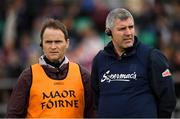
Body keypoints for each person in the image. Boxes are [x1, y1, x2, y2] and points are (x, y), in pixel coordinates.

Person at [91, 8, 176, 118]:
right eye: (122, 29)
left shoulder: (152, 57)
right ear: (109, 32)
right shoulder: (100, 59)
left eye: (131, 27)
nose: (128, 33)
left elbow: (168, 100)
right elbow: (96, 99)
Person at [6, 18, 94, 118]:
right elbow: (13, 115)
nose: (53, 46)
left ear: (67, 43)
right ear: (41, 45)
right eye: (48, 42)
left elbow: (93, 113)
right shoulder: (28, 76)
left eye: (58, 42)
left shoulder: (83, 75)